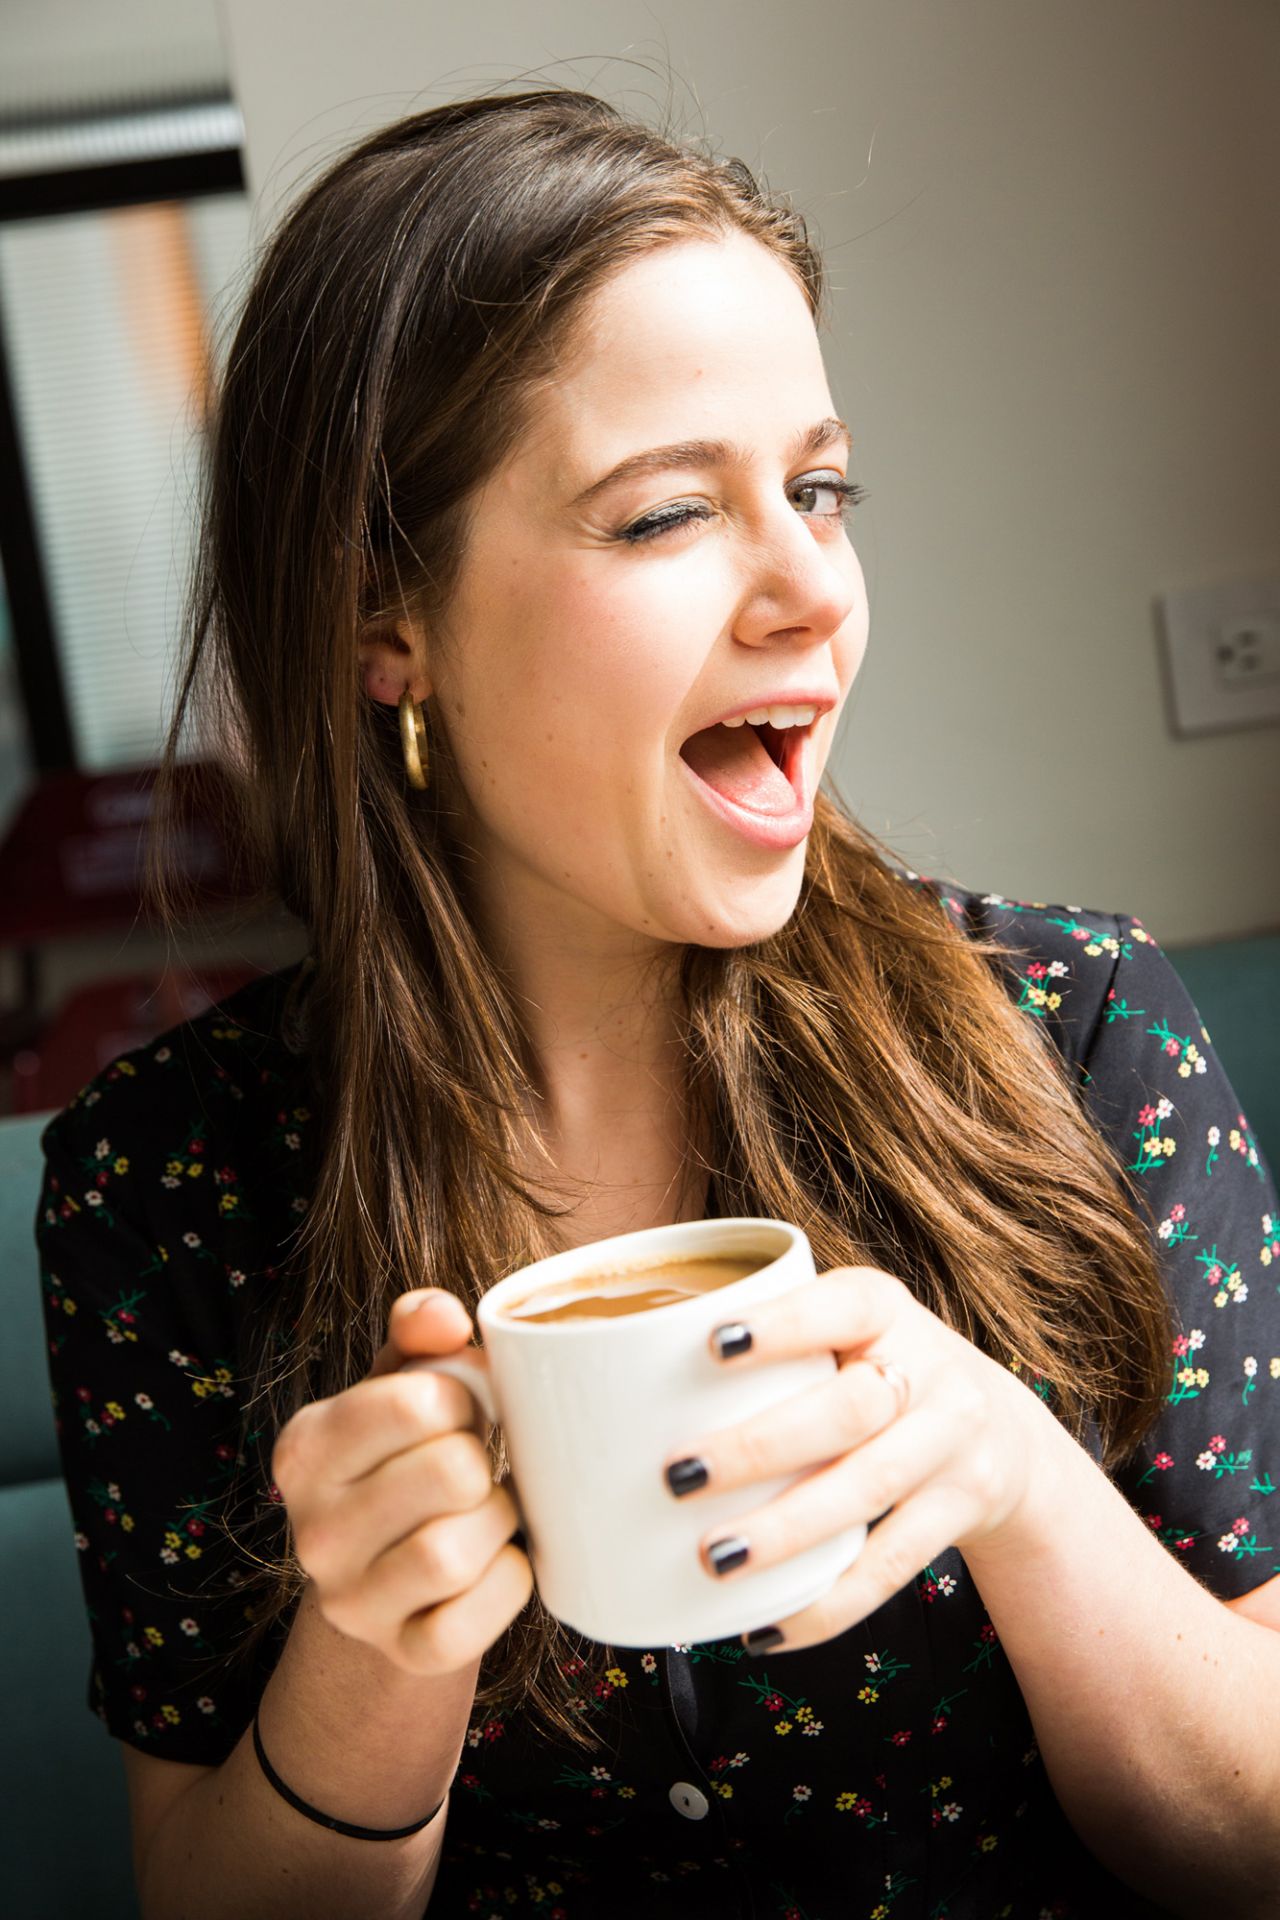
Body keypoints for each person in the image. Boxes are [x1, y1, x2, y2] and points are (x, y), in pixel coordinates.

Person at [34, 87, 1280, 1920]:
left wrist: (1017, 1480)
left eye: (820, 490)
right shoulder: (162, 1187)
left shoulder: (1084, 1034)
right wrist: (372, 1650)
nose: (811, 591)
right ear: (387, 619)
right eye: (670, 513)